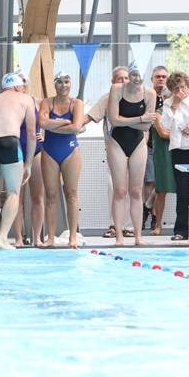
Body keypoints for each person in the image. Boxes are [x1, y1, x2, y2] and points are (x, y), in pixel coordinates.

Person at [0, 73, 36, 250]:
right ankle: (3, 238)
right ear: (19, 87)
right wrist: (28, 164)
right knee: (13, 191)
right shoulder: (25, 99)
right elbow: (32, 133)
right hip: (8, 142)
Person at [106, 62, 157, 246]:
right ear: (129, 75)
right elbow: (113, 120)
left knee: (136, 191)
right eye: (133, 75)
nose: (136, 79)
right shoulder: (117, 90)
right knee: (119, 191)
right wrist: (140, 118)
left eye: (139, 75)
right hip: (117, 142)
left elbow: (146, 126)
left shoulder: (150, 94)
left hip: (138, 143)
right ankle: (119, 236)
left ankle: (137, 237)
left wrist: (127, 120)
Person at [38, 71, 84, 248]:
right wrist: (65, 123)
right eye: (60, 82)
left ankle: (72, 237)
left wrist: (52, 124)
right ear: (54, 85)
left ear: (70, 84)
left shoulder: (77, 103)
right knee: (50, 195)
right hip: (49, 151)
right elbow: (42, 124)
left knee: (71, 193)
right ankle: (50, 237)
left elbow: (77, 127)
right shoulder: (47, 102)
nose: (64, 85)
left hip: (70, 150)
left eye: (67, 81)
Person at [84, 66, 131, 239]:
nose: (124, 81)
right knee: (115, 188)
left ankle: (129, 226)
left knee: (133, 189)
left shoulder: (138, 97)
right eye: (120, 78)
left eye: (126, 78)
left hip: (135, 150)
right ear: (113, 82)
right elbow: (88, 117)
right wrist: (70, 127)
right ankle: (114, 225)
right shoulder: (107, 98)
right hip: (114, 149)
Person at [161, 71, 189, 241]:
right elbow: (165, 125)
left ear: (187, 85)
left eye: (182, 86)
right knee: (183, 192)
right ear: (171, 90)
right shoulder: (168, 103)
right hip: (179, 149)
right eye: (176, 88)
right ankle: (180, 230)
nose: (180, 90)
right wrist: (174, 104)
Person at [13, 72, 45, 247]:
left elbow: (48, 121)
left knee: (38, 196)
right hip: (16, 151)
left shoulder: (37, 101)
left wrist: (45, 135)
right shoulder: (9, 103)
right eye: (18, 81)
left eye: (24, 80)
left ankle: (37, 237)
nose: (22, 84)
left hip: (37, 151)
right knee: (16, 197)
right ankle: (18, 237)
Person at [147, 67, 174, 235]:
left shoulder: (172, 101)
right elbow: (162, 131)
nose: (161, 79)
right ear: (152, 78)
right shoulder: (148, 97)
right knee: (156, 184)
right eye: (158, 76)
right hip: (150, 145)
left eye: (164, 77)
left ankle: (149, 207)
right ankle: (152, 217)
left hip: (172, 147)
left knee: (159, 185)